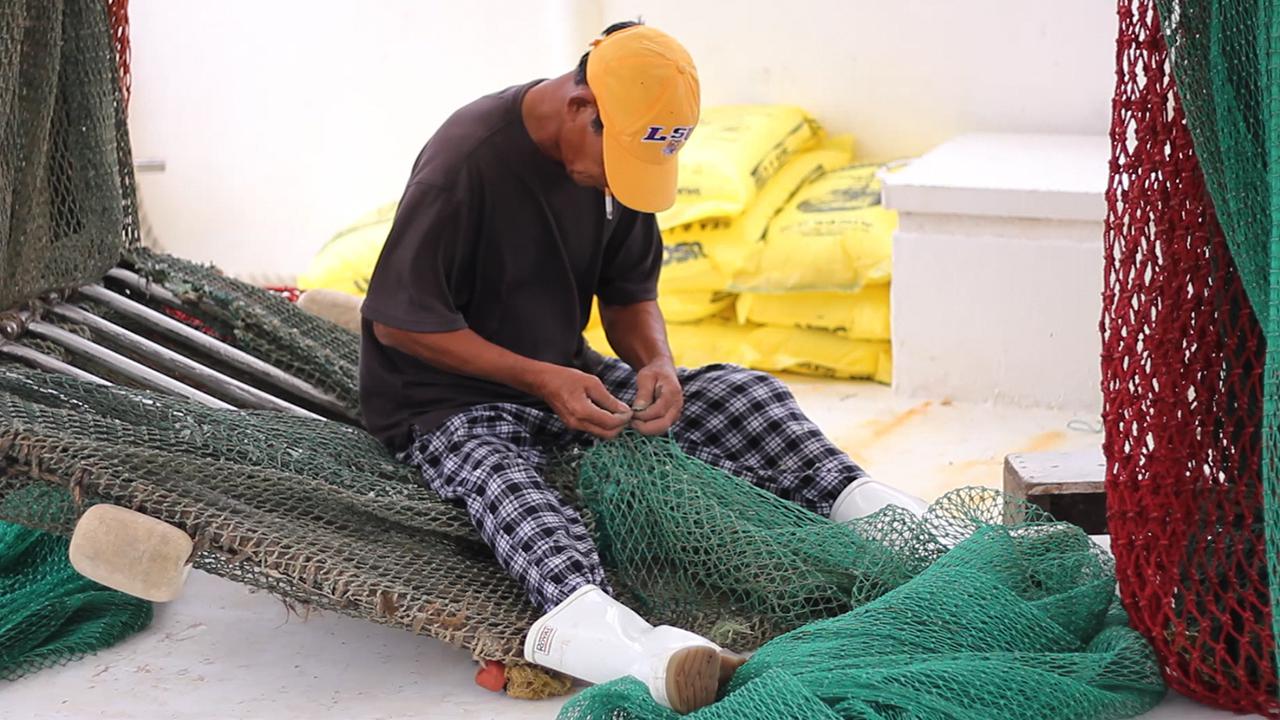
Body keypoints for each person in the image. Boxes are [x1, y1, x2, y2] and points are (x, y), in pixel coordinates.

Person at [358, 21, 927, 713]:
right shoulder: (466, 163)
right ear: (581, 107)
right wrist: (542, 379)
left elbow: (628, 294)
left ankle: (885, 518)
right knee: (506, 482)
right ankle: (627, 647)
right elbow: (401, 321)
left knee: (745, 396)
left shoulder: (614, 163)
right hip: (442, 399)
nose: (616, 179)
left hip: (566, 373)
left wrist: (657, 363)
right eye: (617, 159)